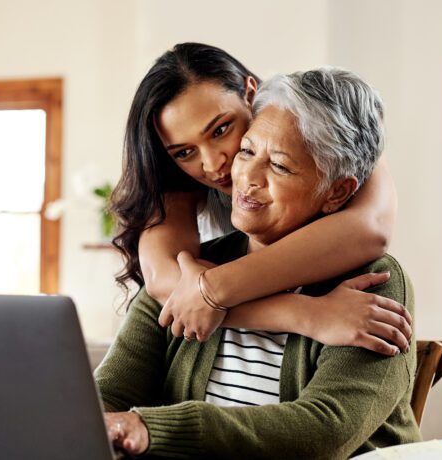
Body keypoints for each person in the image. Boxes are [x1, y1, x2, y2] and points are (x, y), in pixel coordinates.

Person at [97, 68, 421, 459]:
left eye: (280, 166)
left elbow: (324, 432)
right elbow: (105, 398)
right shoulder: (193, 269)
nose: (244, 176)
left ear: (336, 192)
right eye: (247, 151)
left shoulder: (377, 282)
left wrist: (153, 429)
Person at [111, 43, 410, 354]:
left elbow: (369, 229)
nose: (214, 164)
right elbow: (165, 281)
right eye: (185, 152)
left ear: (250, 94)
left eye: (220, 130)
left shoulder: (322, 126)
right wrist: (306, 314)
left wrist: (213, 289)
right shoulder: (176, 180)